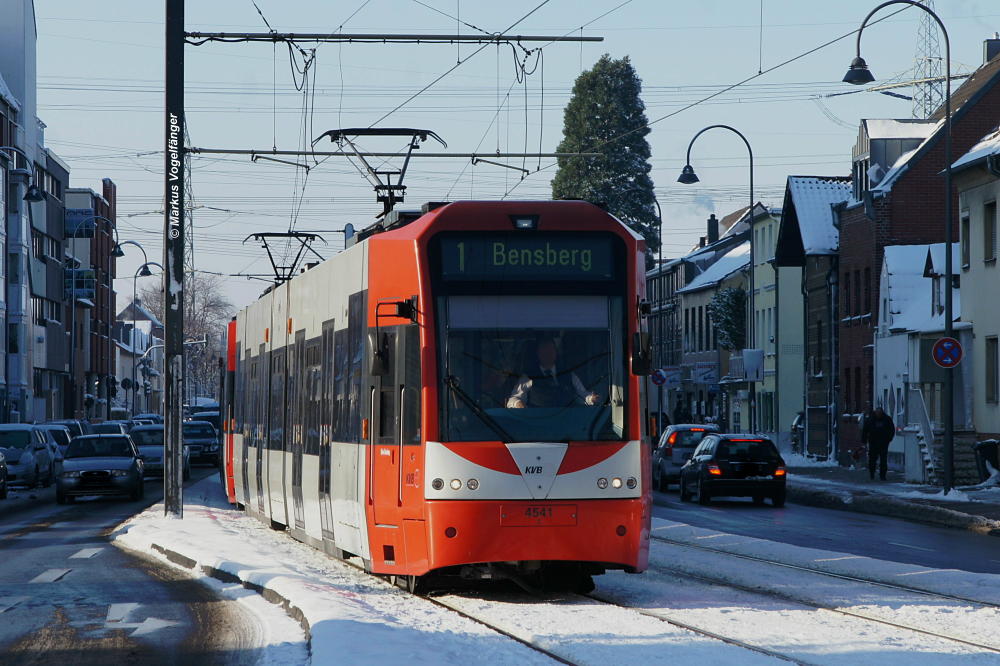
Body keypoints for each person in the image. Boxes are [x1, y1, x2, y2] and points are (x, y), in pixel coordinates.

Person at [507, 338, 600, 408]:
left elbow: (582, 395)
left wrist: (591, 398)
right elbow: (513, 399)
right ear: (538, 354)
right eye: (544, 351)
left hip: (566, 423)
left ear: (556, 352)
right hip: (538, 424)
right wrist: (518, 403)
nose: (548, 354)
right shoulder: (528, 377)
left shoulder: (568, 374)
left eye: (551, 350)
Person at [861, 406, 895, 481]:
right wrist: (864, 440)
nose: (878, 414)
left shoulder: (887, 419)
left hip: (883, 443)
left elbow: (892, 429)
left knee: (883, 460)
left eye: (879, 413)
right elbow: (865, 430)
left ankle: (882, 475)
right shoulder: (870, 419)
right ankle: (872, 473)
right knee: (872, 459)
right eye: (877, 413)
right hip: (873, 442)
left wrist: (889, 439)